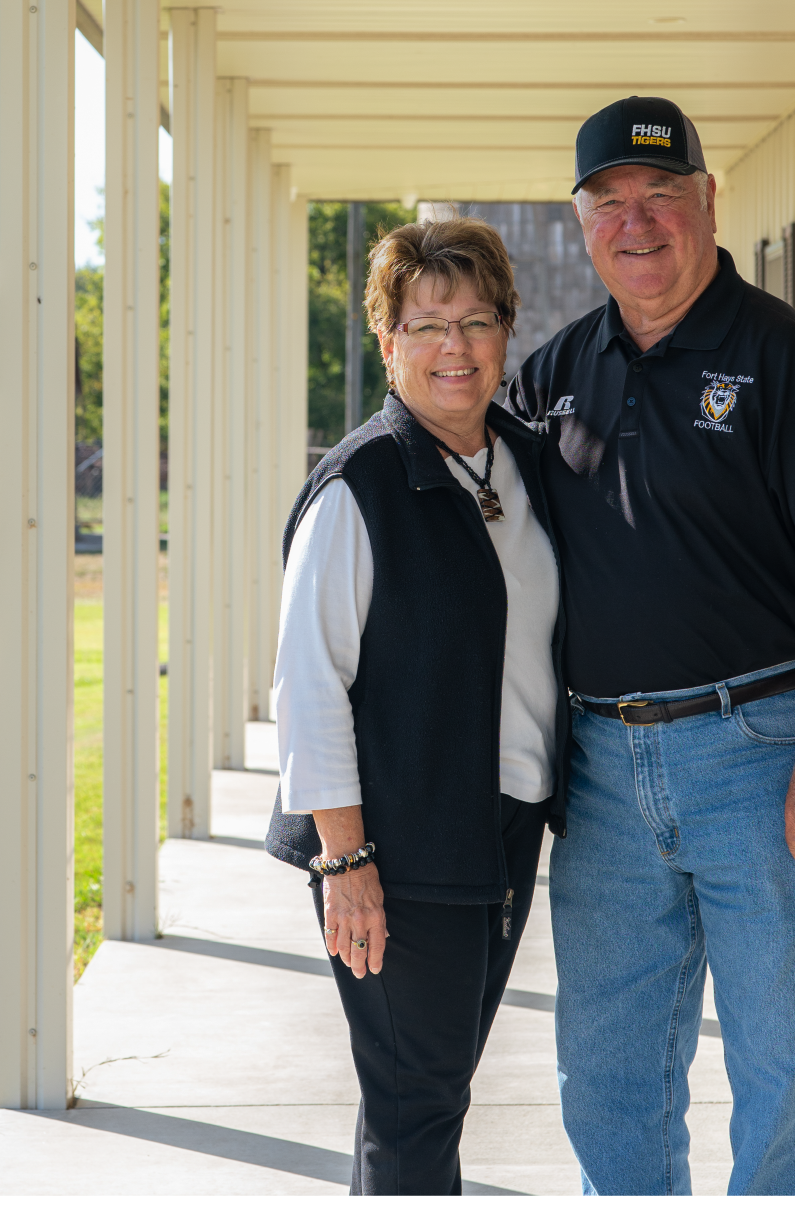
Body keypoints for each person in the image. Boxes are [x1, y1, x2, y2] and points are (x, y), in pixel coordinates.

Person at [507, 96, 795, 1196]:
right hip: (598, 770)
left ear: (707, 201)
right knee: (605, 1072)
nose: (635, 224)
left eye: (660, 197)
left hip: (761, 753)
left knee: (783, 1069)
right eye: (609, 203)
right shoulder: (549, 378)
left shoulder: (788, 362)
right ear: (581, 218)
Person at [265, 216, 568, 1196]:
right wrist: (343, 858)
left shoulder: (522, 465)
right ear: (386, 341)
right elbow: (307, 684)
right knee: (415, 1104)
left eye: (475, 321)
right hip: (393, 845)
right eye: (425, 323)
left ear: (504, 335)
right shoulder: (360, 486)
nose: (453, 347)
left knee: (425, 1092)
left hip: (501, 828)